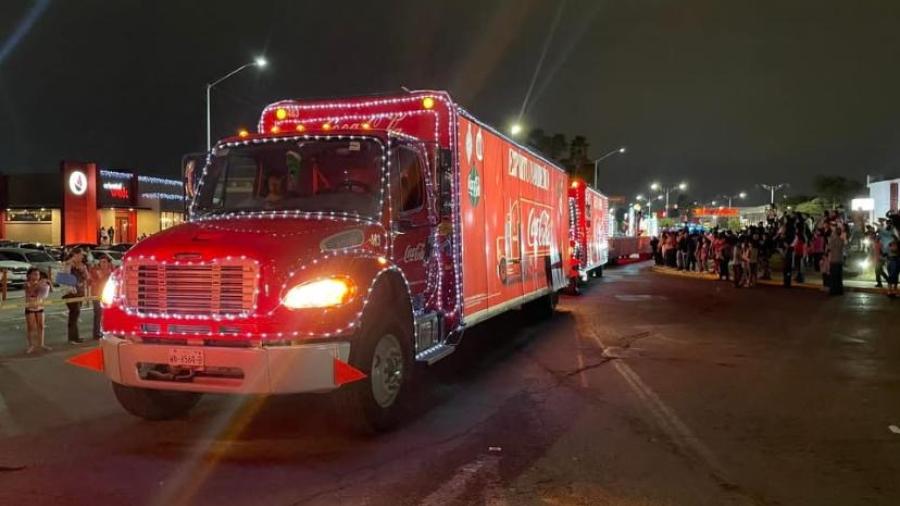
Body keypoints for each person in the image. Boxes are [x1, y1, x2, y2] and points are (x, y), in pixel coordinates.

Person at [63, 248, 89, 343]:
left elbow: (87, 277)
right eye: (81, 255)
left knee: (76, 314)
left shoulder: (82, 265)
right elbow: (64, 278)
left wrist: (83, 269)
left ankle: (75, 337)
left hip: (79, 292)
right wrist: (72, 287)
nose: (82, 257)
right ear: (75, 255)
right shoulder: (68, 264)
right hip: (71, 293)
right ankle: (72, 338)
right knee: (74, 312)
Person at [24, 268, 51, 354]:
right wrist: (39, 284)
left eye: (38, 274)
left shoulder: (41, 283)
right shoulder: (27, 284)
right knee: (31, 327)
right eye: (35, 274)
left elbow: (48, 292)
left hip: (40, 307)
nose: (37, 276)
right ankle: (31, 345)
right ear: (29, 275)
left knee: (41, 326)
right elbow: (31, 292)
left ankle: (41, 344)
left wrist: (48, 283)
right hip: (30, 308)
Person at [90, 255, 113, 340]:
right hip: (97, 295)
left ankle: (105, 330)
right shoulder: (96, 270)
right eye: (101, 262)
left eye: (104, 262)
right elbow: (96, 280)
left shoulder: (111, 270)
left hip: (107, 295)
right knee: (98, 314)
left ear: (108, 263)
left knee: (107, 314)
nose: (103, 264)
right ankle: (96, 333)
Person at [827, 225, 845, 295]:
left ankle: (833, 290)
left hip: (834, 260)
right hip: (839, 260)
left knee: (833, 277)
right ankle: (839, 290)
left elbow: (829, 248)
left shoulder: (833, 240)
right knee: (839, 276)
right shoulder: (841, 240)